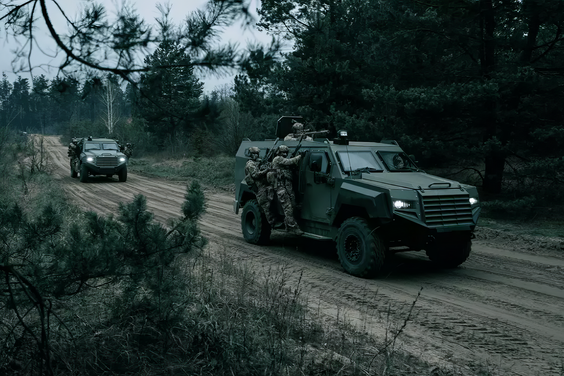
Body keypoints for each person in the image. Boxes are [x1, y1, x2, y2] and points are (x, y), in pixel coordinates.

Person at [269, 145, 304, 235]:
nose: (284, 154)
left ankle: (288, 223)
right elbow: (289, 161)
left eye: (285, 152)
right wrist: (300, 156)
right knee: (288, 207)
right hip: (281, 187)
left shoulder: (282, 161)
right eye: (283, 152)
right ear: (279, 152)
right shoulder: (277, 159)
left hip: (287, 186)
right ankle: (291, 227)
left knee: (292, 205)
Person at [244, 147, 277, 227]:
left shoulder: (258, 162)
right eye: (254, 154)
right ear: (251, 155)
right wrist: (265, 171)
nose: (255, 156)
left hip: (263, 184)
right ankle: (272, 222)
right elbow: (255, 175)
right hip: (258, 187)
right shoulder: (250, 164)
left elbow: (263, 163)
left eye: (257, 154)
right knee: (265, 204)